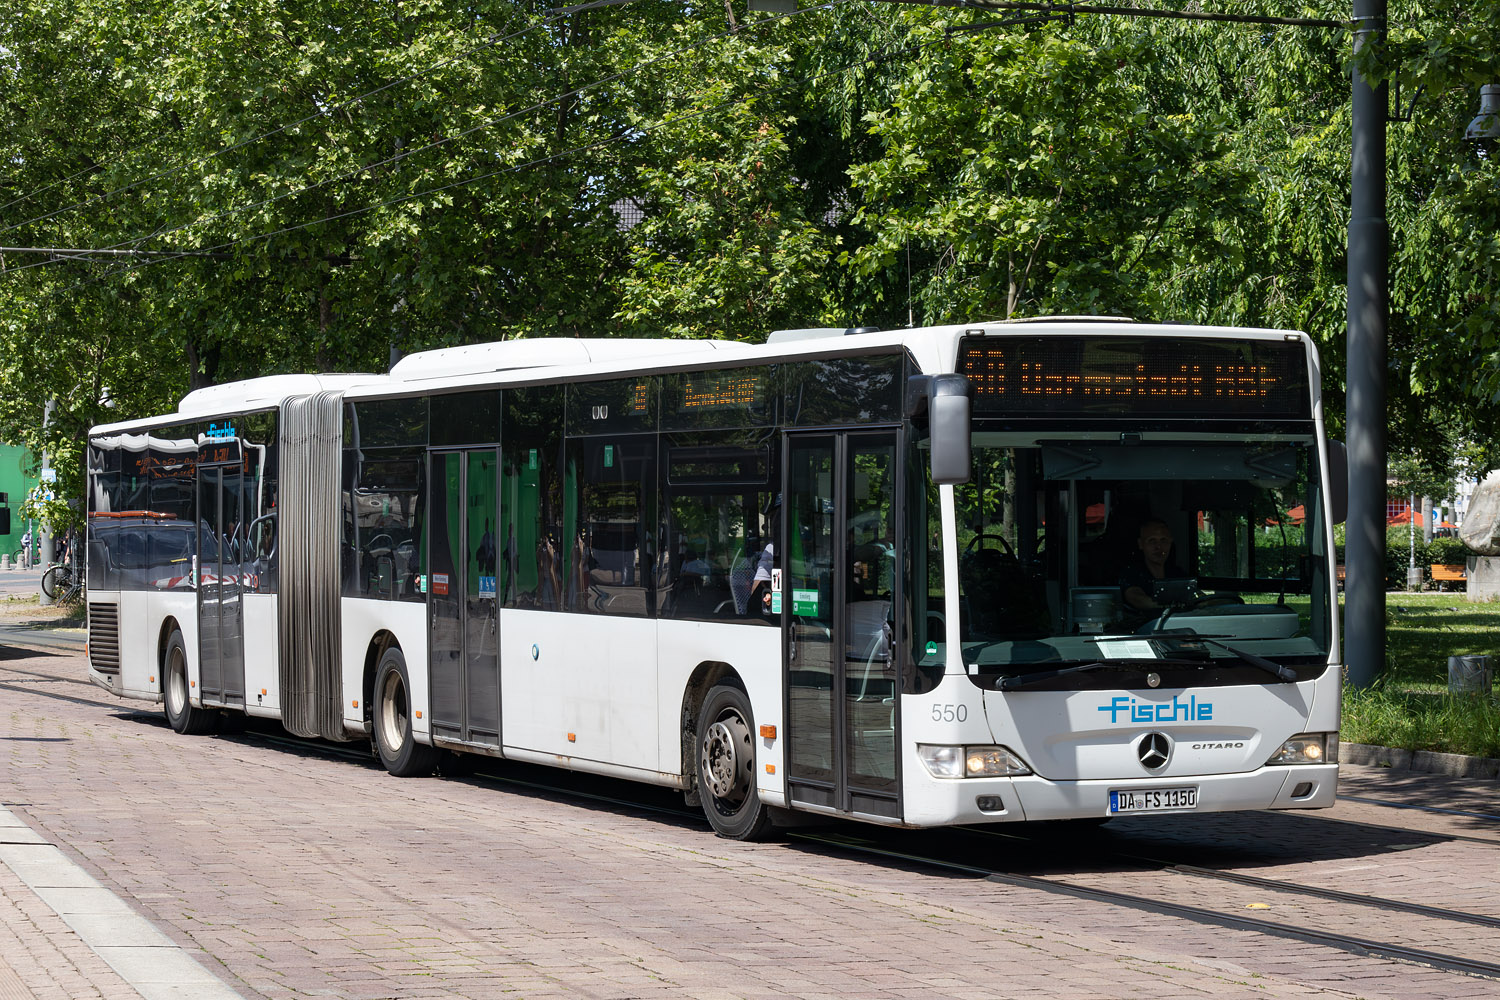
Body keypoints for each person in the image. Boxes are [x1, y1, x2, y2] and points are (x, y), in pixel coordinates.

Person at [1119, 518, 1186, 611]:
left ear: (1171, 542)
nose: (1158, 547)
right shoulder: (1131, 573)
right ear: (1141, 544)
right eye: (1152, 541)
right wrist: (1169, 605)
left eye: (1163, 540)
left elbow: (1196, 596)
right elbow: (1136, 598)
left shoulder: (1177, 573)